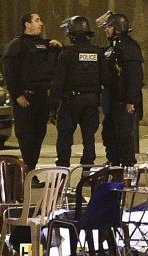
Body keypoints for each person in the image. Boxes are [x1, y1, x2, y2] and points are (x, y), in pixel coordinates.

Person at [2, 12, 62, 187]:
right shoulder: (17, 45)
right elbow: (9, 72)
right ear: (27, 24)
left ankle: (31, 174)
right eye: (37, 20)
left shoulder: (46, 45)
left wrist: (59, 48)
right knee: (27, 138)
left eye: (40, 20)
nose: (41, 24)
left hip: (42, 99)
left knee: (38, 137)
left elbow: (58, 65)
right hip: (25, 100)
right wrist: (17, 95)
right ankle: (27, 176)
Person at [51, 16, 109, 167]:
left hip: (71, 100)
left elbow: (58, 82)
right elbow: (106, 78)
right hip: (91, 100)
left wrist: (52, 107)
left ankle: (62, 170)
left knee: (65, 136)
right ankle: (87, 170)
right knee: (89, 137)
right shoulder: (97, 52)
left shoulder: (67, 53)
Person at [96, 11, 144, 166]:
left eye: (109, 26)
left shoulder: (130, 47)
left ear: (117, 28)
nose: (106, 30)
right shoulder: (112, 48)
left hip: (124, 102)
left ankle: (128, 166)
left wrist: (132, 101)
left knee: (124, 135)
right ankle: (114, 164)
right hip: (112, 100)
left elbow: (135, 77)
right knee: (109, 134)